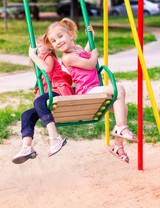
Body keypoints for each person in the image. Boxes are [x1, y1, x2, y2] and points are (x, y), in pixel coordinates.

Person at [43, 18, 138, 163]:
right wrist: (95, 54)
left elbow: (84, 53)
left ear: (70, 35)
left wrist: (91, 38)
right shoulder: (67, 58)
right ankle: (121, 128)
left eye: (60, 36)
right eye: (53, 40)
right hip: (87, 91)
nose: (58, 41)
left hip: (95, 89)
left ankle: (118, 146)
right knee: (118, 88)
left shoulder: (78, 49)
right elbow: (90, 63)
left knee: (123, 108)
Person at [12, 36, 74, 164]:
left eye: (40, 45)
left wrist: (33, 56)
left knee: (39, 102)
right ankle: (27, 147)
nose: (37, 48)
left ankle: (55, 137)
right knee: (26, 115)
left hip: (58, 90)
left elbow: (47, 69)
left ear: (50, 47)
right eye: (34, 46)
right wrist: (34, 57)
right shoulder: (38, 61)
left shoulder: (49, 57)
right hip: (48, 96)